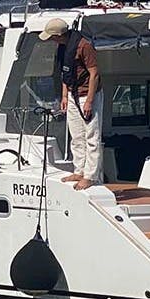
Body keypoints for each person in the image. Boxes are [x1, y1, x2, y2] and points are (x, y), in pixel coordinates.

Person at [40, 17, 102, 190]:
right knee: (76, 135)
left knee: (91, 135)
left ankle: (90, 175)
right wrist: (64, 95)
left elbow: (94, 74)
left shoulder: (84, 46)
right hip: (73, 94)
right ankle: (79, 170)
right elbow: (64, 74)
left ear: (59, 35)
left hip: (87, 94)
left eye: (52, 37)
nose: (51, 40)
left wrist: (89, 100)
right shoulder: (62, 48)